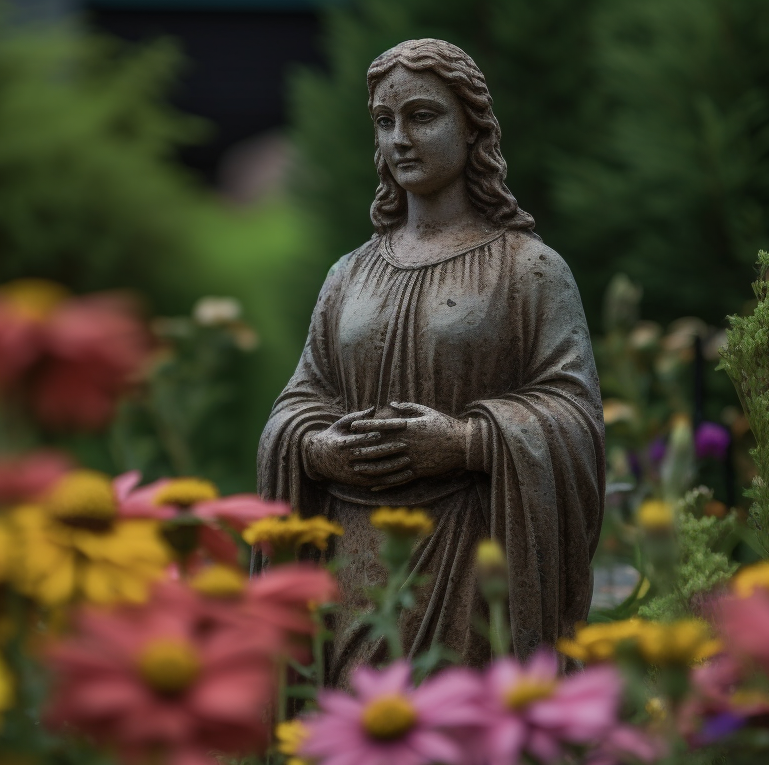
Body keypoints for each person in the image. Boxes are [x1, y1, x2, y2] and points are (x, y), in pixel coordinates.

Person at [257, 38, 604, 685]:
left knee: (455, 755)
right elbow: (299, 403)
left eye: (422, 116)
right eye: (385, 122)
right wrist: (315, 451)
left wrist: (467, 442)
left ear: (474, 129)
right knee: (356, 746)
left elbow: (575, 417)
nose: (399, 140)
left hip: (473, 552)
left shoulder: (529, 271)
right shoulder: (349, 275)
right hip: (355, 565)